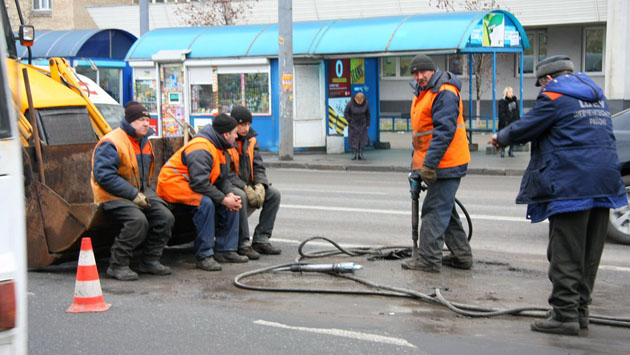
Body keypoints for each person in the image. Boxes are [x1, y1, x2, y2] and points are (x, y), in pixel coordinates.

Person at [491, 55, 627, 336]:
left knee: (565, 251)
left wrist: (500, 138)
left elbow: (527, 126)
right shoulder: (597, 97)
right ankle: (580, 312)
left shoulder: (555, 95)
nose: (541, 89)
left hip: (572, 183)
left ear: (549, 78)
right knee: (589, 252)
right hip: (605, 181)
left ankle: (564, 315)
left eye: (541, 83)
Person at [401, 54, 472, 273]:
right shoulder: (424, 92)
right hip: (436, 162)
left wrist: (429, 166)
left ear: (432, 71)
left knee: (433, 210)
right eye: (415, 73)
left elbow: (443, 132)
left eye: (423, 72)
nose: (419, 76)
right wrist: (418, 167)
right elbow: (422, 134)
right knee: (445, 210)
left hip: (447, 162)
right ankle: (462, 256)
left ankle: (429, 259)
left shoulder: (445, 92)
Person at [91, 101, 174, 281]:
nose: (146, 123)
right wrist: (133, 194)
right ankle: (118, 264)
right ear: (129, 121)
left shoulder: (144, 142)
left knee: (165, 217)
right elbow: (104, 177)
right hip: (111, 195)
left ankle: (150, 260)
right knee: (137, 221)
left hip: (138, 192)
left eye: (147, 119)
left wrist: (142, 194)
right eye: (141, 120)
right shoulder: (112, 142)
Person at [156, 113, 248, 272]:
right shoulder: (201, 148)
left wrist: (228, 195)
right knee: (205, 203)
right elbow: (199, 183)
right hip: (173, 185)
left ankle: (226, 250)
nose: (236, 136)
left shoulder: (220, 147)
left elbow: (221, 178)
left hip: (191, 185)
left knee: (233, 199)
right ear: (226, 134)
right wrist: (223, 199)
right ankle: (204, 255)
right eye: (234, 133)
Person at [227, 105, 282, 257]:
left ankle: (261, 239)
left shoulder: (251, 140)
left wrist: (260, 185)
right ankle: (243, 244)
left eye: (248, 124)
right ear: (234, 124)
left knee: (274, 195)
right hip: (230, 185)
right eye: (242, 124)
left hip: (248, 183)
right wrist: (244, 187)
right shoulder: (227, 140)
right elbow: (225, 173)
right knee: (241, 197)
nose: (246, 128)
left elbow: (258, 166)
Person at [344, 92, 370, 160]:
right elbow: (346, 113)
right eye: (358, 101)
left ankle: (361, 154)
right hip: (353, 123)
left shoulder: (366, 103)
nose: (359, 102)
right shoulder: (350, 103)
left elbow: (368, 114)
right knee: (353, 138)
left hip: (362, 123)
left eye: (361, 101)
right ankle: (354, 154)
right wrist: (349, 120)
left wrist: (368, 123)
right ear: (355, 99)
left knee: (362, 138)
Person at [497, 86, 520, 157]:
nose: (511, 93)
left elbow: (517, 112)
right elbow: (501, 113)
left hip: (513, 121)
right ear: (506, 93)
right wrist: (505, 121)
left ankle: (511, 150)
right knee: (503, 137)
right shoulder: (502, 102)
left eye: (512, 92)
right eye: (510, 92)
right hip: (505, 122)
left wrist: (517, 120)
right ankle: (502, 150)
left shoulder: (514, 101)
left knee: (512, 137)